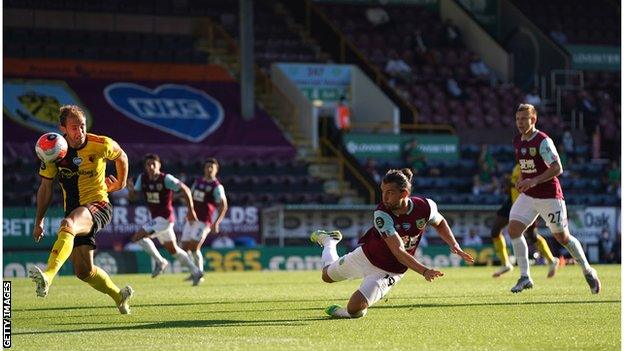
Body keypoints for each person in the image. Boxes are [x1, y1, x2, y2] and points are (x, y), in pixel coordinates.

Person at [310, 168, 474, 318]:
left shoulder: (426, 206)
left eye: (390, 193)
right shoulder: (382, 213)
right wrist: (424, 271)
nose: (384, 197)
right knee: (326, 276)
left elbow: (440, 223)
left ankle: (343, 312)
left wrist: (454, 245)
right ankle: (329, 241)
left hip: (390, 271)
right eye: (383, 192)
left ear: (404, 194)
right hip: (366, 256)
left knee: (354, 310)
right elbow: (399, 252)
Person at [28, 105, 134, 314]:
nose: (80, 132)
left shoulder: (100, 143)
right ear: (63, 128)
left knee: (68, 224)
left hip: (99, 205)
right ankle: (119, 296)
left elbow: (121, 156)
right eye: (74, 127)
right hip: (75, 211)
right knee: (84, 271)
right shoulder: (53, 152)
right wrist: (39, 220)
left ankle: (47, 277)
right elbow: (45, 187)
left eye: (83, 126)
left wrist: (120, 183)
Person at [507, 104, 600, 294]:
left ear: (533, 120)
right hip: (529, 195)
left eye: (524, 119)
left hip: (550, 196)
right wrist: (523, 180)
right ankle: (525, 277)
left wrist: (533, 180)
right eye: (518, 119)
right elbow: (527, 166)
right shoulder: (518, 141)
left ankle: (588, 270)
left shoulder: (543, 141)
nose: (520, 123)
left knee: (562, 238)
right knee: (514, 229)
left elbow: (558, 168)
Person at [127, 153, 204, 286]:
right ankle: (196, 271)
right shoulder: (142, 178)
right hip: (157, 218)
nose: (151, 167)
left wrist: (191, 210)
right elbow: (133, 198)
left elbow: (185, 190)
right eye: (148, 164)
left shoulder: (166, 179)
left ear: (159, 165)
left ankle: (160, 261)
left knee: (137, 237)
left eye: (153, 164)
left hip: (165, 218)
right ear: (145, 166)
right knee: (173, 250)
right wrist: (131, 189)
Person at [490, 164, 560, 278]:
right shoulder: (518, 164)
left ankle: (552, 260)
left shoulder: (531, 164)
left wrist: (512, 184)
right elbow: (513, 186)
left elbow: (530, 183)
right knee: (495, 230)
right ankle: (506, 264)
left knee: (532, 235)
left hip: (526, 203)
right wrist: (508, 186)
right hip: (512, 202)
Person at [181, 158, 228, 278]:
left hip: (204, 221)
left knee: (194, 247)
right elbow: (189, 197)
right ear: (204, 169)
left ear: (216, 170)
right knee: (184, 248)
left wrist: (216, 223)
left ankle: (199, 272)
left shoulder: (217, 187)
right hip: (191, 219)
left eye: (212, 167)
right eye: (207, 167)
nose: (209, 169)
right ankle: (194, 272)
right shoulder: (197, 182)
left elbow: (223, 205)